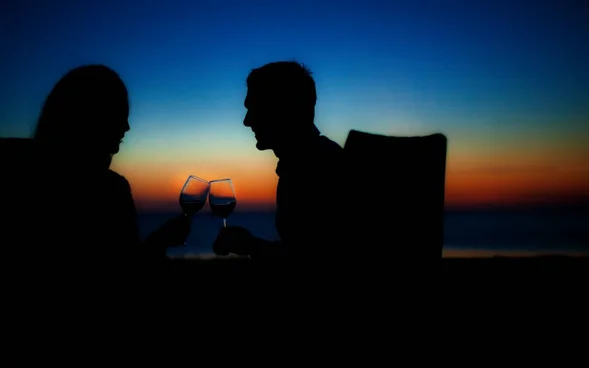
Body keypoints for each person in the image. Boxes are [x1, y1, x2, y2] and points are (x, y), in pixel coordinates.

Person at [3, 65, 190, 289]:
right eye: (120, 114)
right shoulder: (111, 190)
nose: (128, 126)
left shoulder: (19, 168)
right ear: (89, 115)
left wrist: (160, 240)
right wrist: (160, 244)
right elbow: (123, 275)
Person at [212, 61, 348, 268]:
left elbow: (319, 260)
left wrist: (252, 246)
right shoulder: (303, 161)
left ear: (280, 109)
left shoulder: (318, 168)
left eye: (254, 108)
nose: (246, 121)